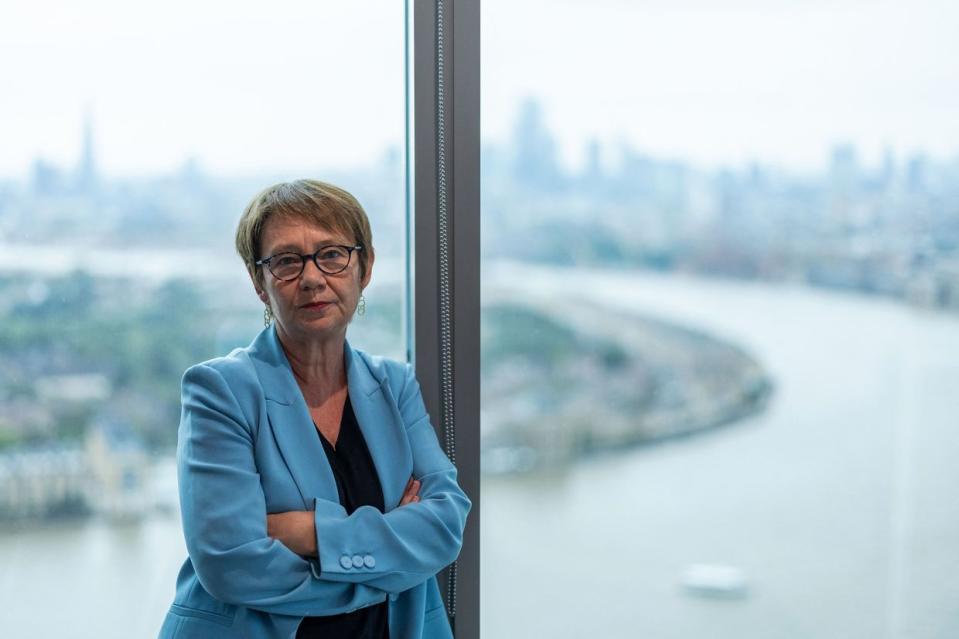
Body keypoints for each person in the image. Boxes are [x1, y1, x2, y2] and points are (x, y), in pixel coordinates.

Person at [158, 180, 471, 639]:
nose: (311, 277)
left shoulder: (395, 385)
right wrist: (388, 567)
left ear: (363, 270)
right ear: (259, 283)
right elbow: (231, 565)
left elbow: (445, 524)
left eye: (332, 254)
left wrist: (309, 534)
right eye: (286, 261)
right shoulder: (220, 392)